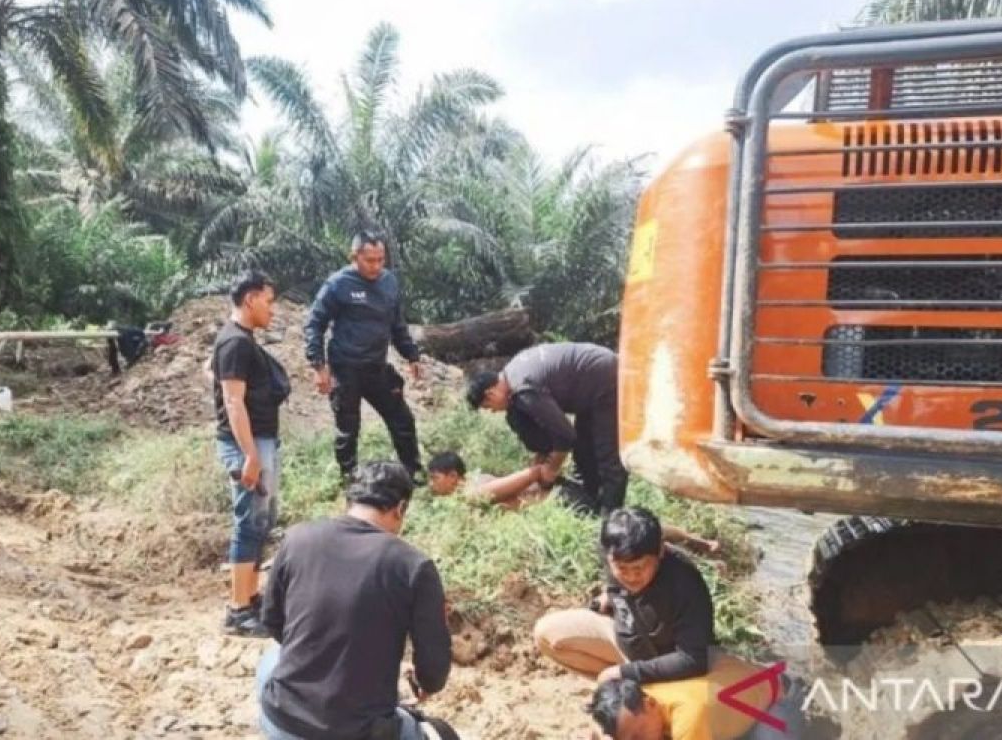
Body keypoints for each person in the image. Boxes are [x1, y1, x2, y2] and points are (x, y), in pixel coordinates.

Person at [257, 461, 452, 740]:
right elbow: (433, 673)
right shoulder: (413, 565)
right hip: (359, 732)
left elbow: (274, 623)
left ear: (348, 500)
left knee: (271, 659)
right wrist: (421, 680)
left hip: (284, 722)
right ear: (400, 508)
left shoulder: (298, 538)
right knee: (440, 734)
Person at [534, 507, 714, 686]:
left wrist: (625, 673)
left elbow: (692, 660)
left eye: (639, 568)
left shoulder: (684, 583)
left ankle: (642, 688)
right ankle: (627, 688)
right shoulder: (613, 551)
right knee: (547, 632)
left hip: (669, 662)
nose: (631, 577)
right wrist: (607, 596)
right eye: (622, 569)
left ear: (660, 551)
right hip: (626, 643)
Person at [426, 453, 721, 556]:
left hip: (562, 503)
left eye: (434, 478)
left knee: (622, 532)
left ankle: (697, 545)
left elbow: (489, 496)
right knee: (623, 529)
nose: (431, 485)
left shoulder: (473, 489)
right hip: (559, 499)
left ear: (453, 476)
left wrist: (534, 473)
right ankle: (697, 543)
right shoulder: (476, 484)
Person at [304, 231, 423, 482]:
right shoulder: (338, 284)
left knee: (402, 419)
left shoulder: (389, 282)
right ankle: (349, 479)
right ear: (354, 256)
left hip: (377, 367)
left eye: (381, 259)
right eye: (370, 260)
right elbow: (314, 323)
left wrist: (412, 355)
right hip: (345, 368)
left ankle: (412, 472)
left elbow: (397, 325)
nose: (376, 266)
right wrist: (318, 365)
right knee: (348, 428)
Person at [210, 270, 289, 637]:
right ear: (250, 299)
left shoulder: (240, 341)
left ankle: (251, 597)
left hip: (258, 441)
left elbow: (214, 376)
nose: (272, 310)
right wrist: (250, 456)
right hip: (249, 444)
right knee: (249, 522)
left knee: (261, 522)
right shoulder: (235, 343)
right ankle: (238, 610)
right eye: (269, 302)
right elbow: (232, 401)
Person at [466, 342, 626, 514]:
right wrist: (538, 466)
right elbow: (554, 431)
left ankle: (610, 516)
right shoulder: (512, 375)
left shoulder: (523, 389)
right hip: (590, 380)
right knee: (583, 451)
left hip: (603, 377)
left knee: (607, 454)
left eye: (489, 407)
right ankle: (591, 501)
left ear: (491, 394)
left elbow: (566, 436)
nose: (494, 411)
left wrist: (551, 468)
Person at [585, 664, 802, 740]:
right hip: (743, 676)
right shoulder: (638, 696)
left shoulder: (689, 718)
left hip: (779, 696)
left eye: (640, 736)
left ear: (650, 703)